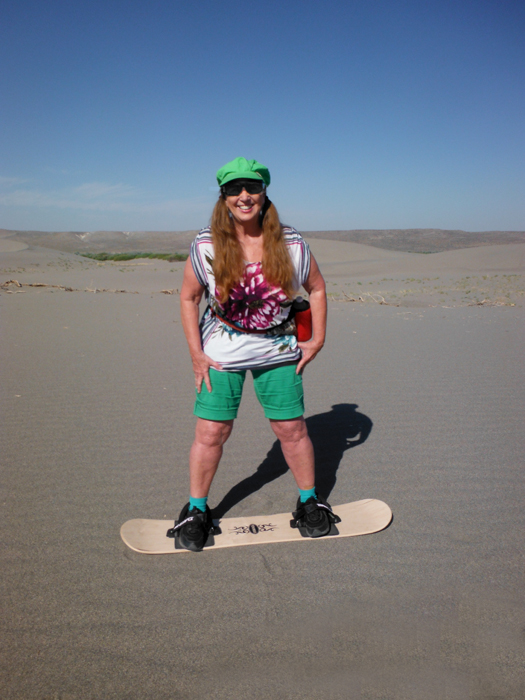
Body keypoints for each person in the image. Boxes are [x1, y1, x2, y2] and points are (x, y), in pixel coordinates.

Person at [171, 157, 338, 551]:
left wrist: (317, 339)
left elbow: (316, 287)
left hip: (277, 349)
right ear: (224, 196)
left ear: (264, 193)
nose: (243, 196)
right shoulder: (206, 243)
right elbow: (189, 297)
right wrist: (196, 353)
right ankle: (196, 510)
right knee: (212, 431)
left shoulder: (291, 242)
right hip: (220, 351)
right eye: (234, 189)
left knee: (291, 429)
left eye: (252, 187)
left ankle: (309, 501)